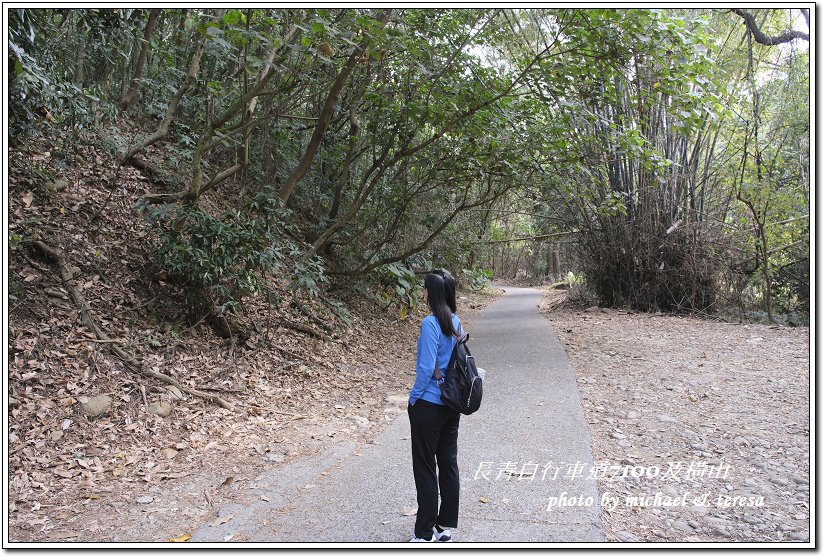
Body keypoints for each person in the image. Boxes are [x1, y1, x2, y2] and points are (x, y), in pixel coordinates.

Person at [407, 269, 462, 543]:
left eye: (426, 288)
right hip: (451, 405)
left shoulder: (430, 324)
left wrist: (413, 397)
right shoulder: (456, 322)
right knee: (448, 464)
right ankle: (444, 527)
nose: (424, 293)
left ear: (433, 293)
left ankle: (424, 533)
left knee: (426, 467)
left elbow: (427, 368)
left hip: (428, 405)